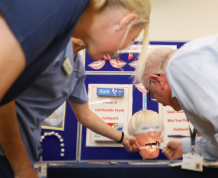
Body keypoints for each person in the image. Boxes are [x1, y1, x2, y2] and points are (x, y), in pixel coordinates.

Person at [0, 38, 140, 178]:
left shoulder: (77, 67)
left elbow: (84, 115)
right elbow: (4, 94)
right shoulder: (50, 46)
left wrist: (122, 138)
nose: (110, 55)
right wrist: (21, 168)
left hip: (26, 147)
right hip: (8, 146)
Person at [135, 32, 218, 178]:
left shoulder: (180, 64)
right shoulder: (194, 61)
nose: (157, 101)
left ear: (158, 80)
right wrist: (186, 147)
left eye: (152, 94)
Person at [0, 0, 151, 105]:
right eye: (131, 39)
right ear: (126, 22)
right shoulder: (58, 6)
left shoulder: (61, 33)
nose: (122, 49)